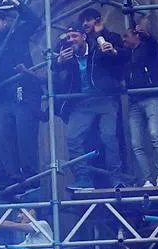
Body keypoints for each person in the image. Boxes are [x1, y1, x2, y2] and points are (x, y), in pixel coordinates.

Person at [54, 18, 127, 191]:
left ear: (84, 37)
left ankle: (116, 178)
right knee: (72, 138)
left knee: (109, 137)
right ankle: (83, 179)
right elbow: (53, 69)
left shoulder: (97, 49)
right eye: (69, 37)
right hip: (82, 102)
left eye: (75, 36)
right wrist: (59, 61)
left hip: (105, 100)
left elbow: (124, 56)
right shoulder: (66, 54)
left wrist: (113, 51)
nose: (71, 40)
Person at [0, 3, 42, 196]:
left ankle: (30, 175)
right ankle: (13, 175)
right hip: (7, 95)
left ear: (5, 21)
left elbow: (35, 21)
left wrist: (19, 6)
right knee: (4, 136)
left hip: (24, 90)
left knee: (25, 135)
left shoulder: (16, 34)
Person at [122, 26, 158, 187]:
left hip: (152, 98)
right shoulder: (126, 54)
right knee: (136, 143)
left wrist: (147, 35)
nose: (124, 40)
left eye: (126, 36)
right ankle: (147, 178)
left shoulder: (148, 49)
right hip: (134, 101)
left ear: (136, 36)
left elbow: (155, 45)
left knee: (155, 135)